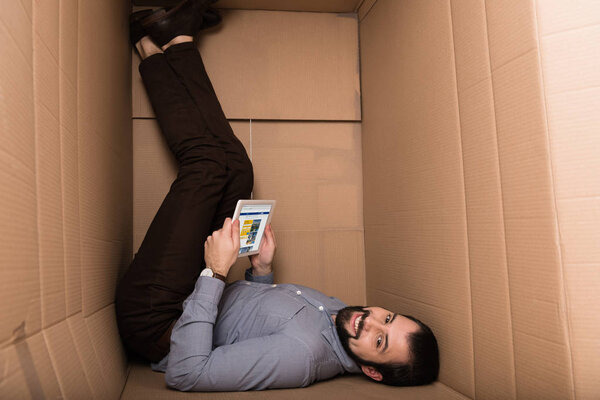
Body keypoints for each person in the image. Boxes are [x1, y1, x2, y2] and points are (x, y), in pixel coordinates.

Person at [115, 0, 439, 392]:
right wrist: (261, 275)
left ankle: (159, 45)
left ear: (372, 371)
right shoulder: (341, 317)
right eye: (388, 319)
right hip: (192, 291)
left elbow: (189, 372)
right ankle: (166, 43)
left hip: (156, 319)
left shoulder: (300, 359)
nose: (370, 321)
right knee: (237, 168)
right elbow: (249, 325)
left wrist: (216, 272)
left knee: (206, 167)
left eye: (380, 340)